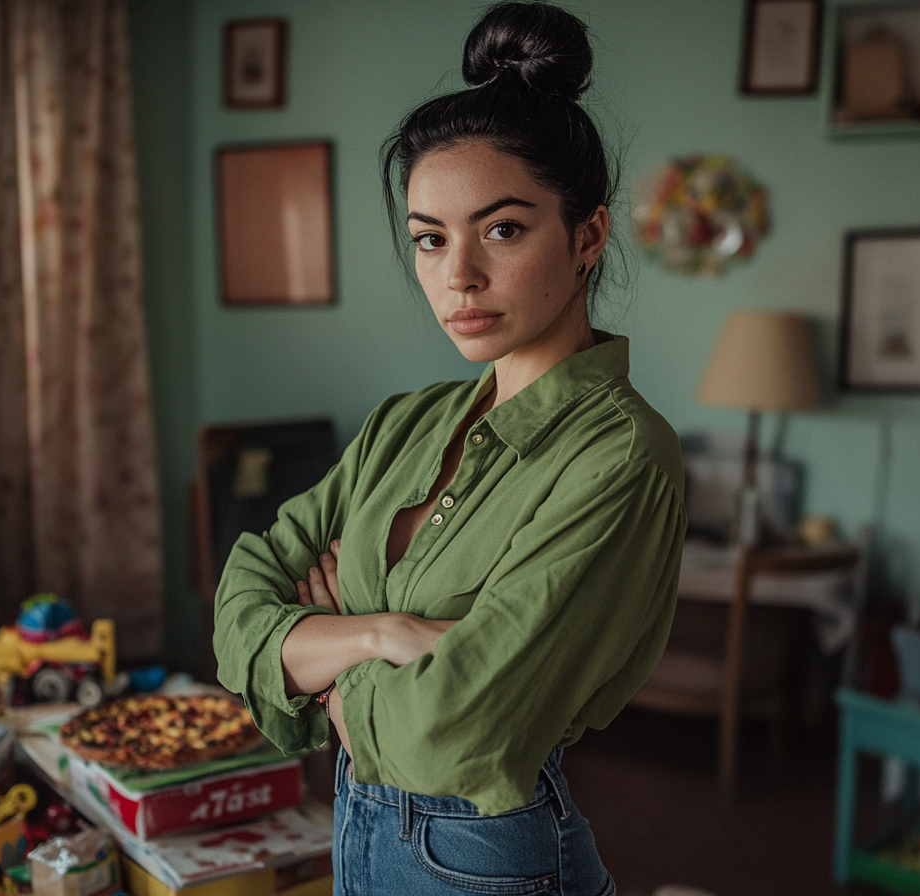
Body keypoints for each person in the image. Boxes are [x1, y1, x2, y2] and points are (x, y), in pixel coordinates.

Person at [214, 3, 686, 892]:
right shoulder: (405, 422)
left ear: (588, 234)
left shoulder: (619, 458)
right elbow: (239, 602)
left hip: (484, 853)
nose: (456, 275)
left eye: (501, 229)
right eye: (431, 239)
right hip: (355, 822)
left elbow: (451, 728)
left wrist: (319, 652)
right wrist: (380, 635)